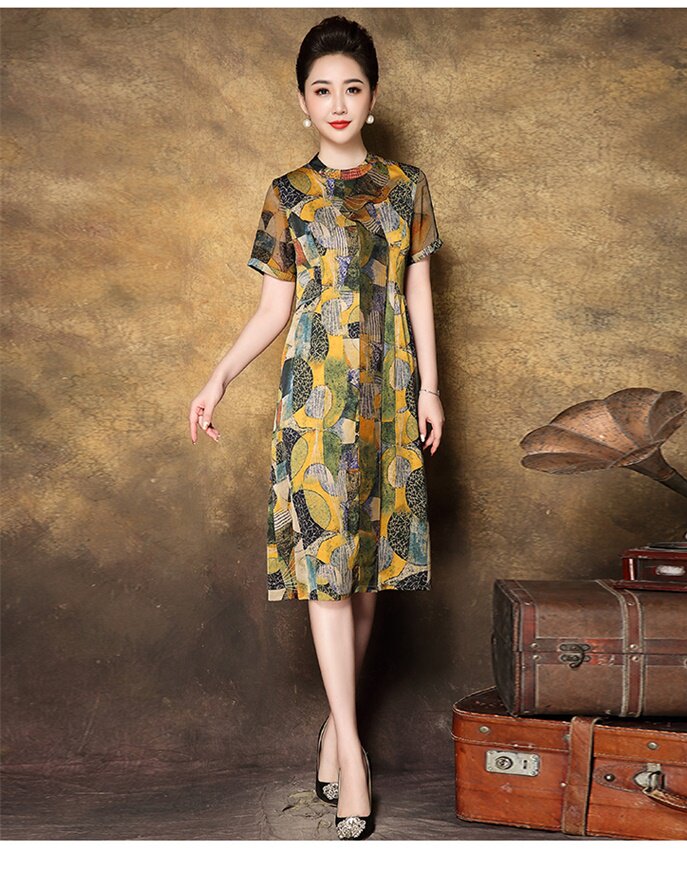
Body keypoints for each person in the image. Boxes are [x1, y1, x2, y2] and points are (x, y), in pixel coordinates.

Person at [188, 15, 444, 840]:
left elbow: (417, 292)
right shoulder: (287, 194)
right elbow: (276, 306)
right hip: (314, 404)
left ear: (372, 98)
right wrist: (221, 376)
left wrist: (431, 388)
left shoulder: (406, 187)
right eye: (322, 90)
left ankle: (337, 729)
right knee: (327, 573)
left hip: (388, 399)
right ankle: (355, 759)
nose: (338, 103)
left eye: (352, 88)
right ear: (302, 102)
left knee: (366, 575)